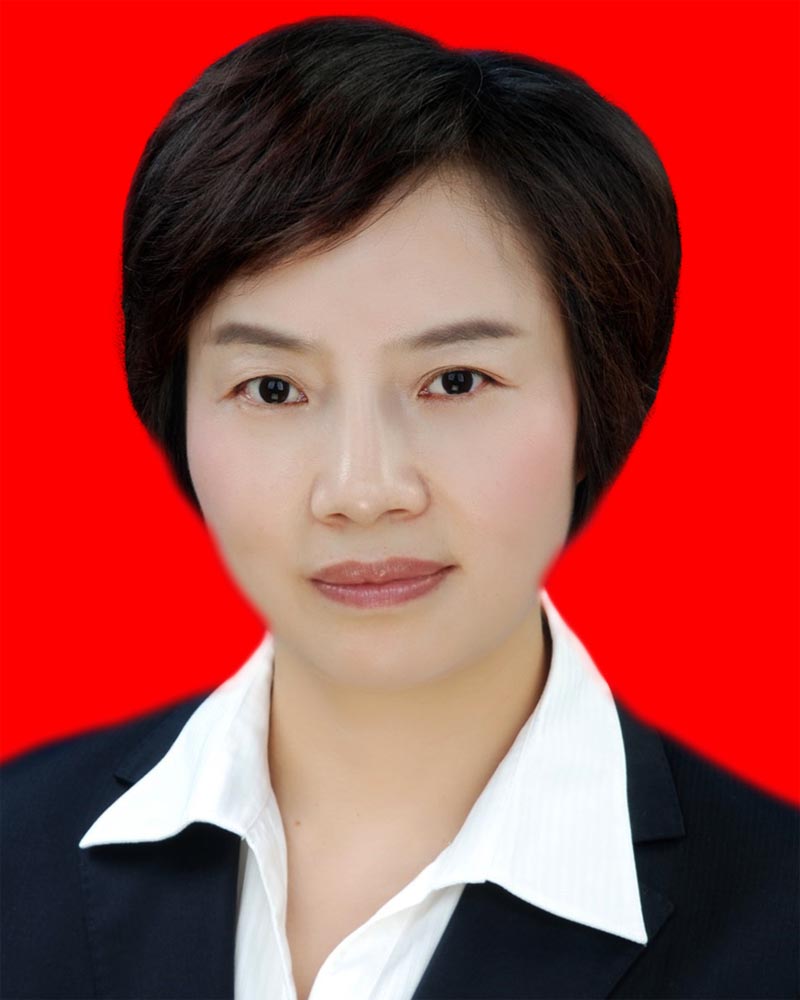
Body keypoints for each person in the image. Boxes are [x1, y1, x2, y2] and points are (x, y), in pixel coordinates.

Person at [1, 13, 797, 1000]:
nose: (364, 490)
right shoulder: (18, 852)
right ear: (178, 414)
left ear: (594, 401)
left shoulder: (776, 925)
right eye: (273, 389)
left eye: (455, 381)